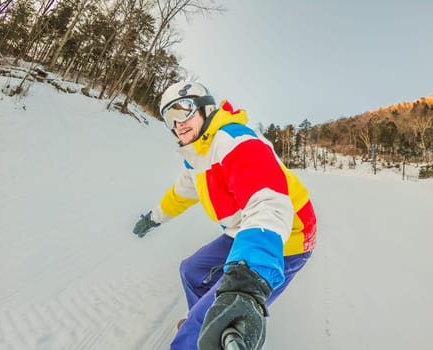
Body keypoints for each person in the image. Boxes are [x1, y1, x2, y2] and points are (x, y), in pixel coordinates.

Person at [132, 81, 317, 350]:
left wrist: (246, 283)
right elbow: (179, 195)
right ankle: (207, 322)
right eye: (169, 119)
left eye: (183, 110)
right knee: (192, 271)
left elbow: (268, 203)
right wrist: (153, 218)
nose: (178, 124)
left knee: (193, 334)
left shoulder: (235, 141)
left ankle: (205, 327)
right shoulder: (196, 159)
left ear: (206, 108)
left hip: (284, 235)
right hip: (243, 229)